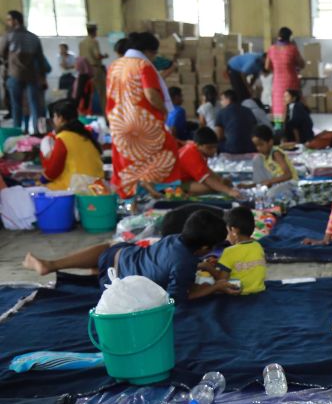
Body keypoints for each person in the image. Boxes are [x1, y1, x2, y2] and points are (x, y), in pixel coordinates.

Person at [22, 210, 234, 302]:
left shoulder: (175, 239)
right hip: (118, 280)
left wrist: (203, 266)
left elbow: (173, 261)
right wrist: (215, 287)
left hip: (121, 257)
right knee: (109, 254)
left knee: (112, 246)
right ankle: (52, 265)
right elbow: (181, 297)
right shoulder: (186, 261)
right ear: (205, 248)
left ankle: (52, 264)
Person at [106, 31, 179, 196]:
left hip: (119, 122)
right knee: (168, 148)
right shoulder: (143, 65)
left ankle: (129, 195)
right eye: (154, 54)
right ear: (148, 51)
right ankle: (155, 186)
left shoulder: (114, 66)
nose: (154, 58)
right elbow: (151, 95)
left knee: (127, 160)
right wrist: (163, 110)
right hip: (141, 123)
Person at [39, 98, 104, 192]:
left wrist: (41, 180)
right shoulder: (85, 135)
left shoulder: (63, 137)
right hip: (97, 187)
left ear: (60, 118)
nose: (53, 120)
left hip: (76, 187)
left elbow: (54, 169)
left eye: (54, 116)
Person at [166, 127, 243, 199]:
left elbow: (205, 170)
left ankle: (190, 191)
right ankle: (186, 193)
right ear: (198, 145)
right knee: (212, 187)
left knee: (219, 184)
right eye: (209, 148)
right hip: (169, 185)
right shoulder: (191, 156)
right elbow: (208, 180)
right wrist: (229, 191)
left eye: (215, 147)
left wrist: (220, 179)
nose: (214, 151)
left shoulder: (196, 148)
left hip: (182, 179)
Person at [1, 10, 44, 134]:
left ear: (15, 21)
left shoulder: (9, 36)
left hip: (15, 75)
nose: (8, 22)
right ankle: (37, 131)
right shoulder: (34, 37)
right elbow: (40, 60)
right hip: (32, 76)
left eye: (9, 20)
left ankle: (17, 131)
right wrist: (42, 77)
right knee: (34, 104)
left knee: (16, 106)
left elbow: (1, 54)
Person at [214, 206, 266, 296]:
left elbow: (221, 281)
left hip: (237, 292)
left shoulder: (229, 252)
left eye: (227, 231)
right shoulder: (258, 246)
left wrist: (208, 267)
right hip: (258, 290)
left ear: (233, 230)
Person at [264, 27, 304, 127]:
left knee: (278, 107)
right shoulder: (292, 49)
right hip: (291, 82)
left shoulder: (272, 49)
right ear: (290, 37)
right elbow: (302, 64)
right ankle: (292, 130)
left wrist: (277, 68)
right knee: (291, 106)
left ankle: (278, 129)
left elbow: (267, 66)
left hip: (277, 84)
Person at [249, 123, 298, 201]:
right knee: (258, 194)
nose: (258, 148)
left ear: (270, 142)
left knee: (269, 195)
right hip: (279, 183)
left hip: (290, 183)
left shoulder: (276, 153)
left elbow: (288, 175)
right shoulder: (264, 156)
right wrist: (248, 186)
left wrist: (270, 181)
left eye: (261, 145)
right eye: (256, 146)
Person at [215, 89, 257, 155]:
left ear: (228, 99)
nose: (221, 102)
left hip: (232, 149)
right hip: (251, 147)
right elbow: (255, 129)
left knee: (213, 145)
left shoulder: (222, 112)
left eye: (222, 99)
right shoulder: (248, 110)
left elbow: (219, 136)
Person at [78, 23, 107, 114]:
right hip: (95, 70)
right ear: (95, 31)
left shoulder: (81, 43)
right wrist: (105, 56)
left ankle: (84, 114)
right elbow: (97, 56)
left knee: (86, 94)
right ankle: (106, 116)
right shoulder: (94, 42)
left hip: (85, 71)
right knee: (102, 94)